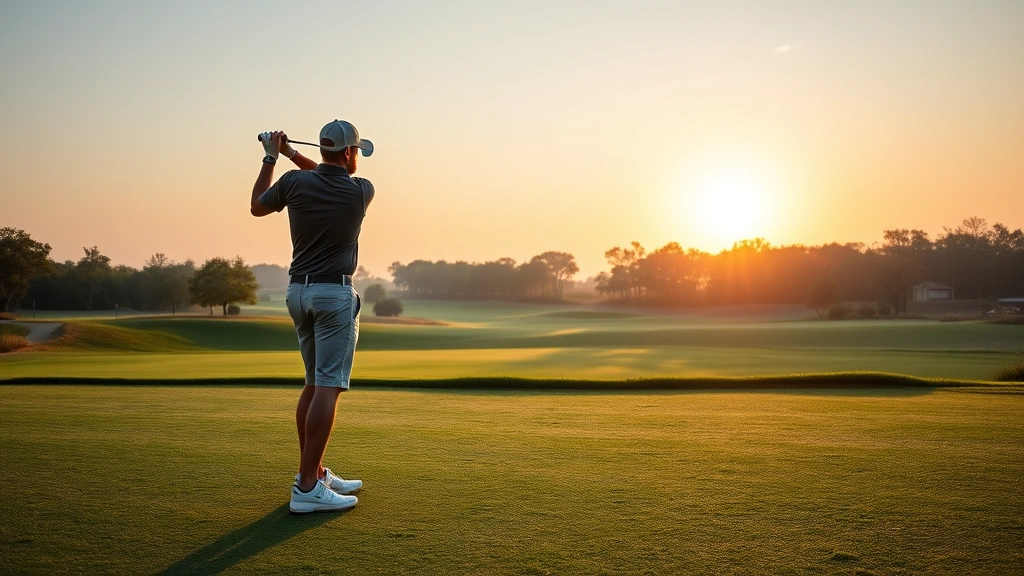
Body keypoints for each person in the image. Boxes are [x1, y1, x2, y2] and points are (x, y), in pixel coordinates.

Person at [250, 120, 375, 514]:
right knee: (327, 387)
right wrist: (288, 153)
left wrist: (273, 156)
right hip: (333, 294)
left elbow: (257, 206)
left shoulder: (293, 183)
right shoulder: (361, 190)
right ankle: (306, 486)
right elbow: (326, 175)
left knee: (312, 383)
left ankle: (315, 471)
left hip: (297, 293)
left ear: (322, 150)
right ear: (350, 152)